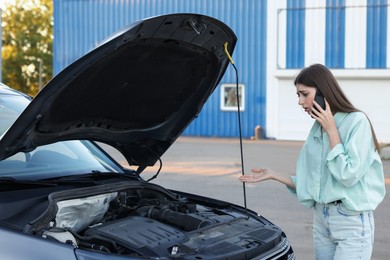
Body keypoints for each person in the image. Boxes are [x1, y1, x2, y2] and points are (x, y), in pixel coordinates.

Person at [239, 64, 386, 260]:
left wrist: (332, 131)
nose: (300, 101)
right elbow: (315, 184)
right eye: (298, 95)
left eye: (304, 94)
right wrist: (274, 175)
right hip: (322, 218)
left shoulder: (356, 122)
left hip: (351, 220)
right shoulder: (317, 129)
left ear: (322, 92)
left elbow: (348, 176)